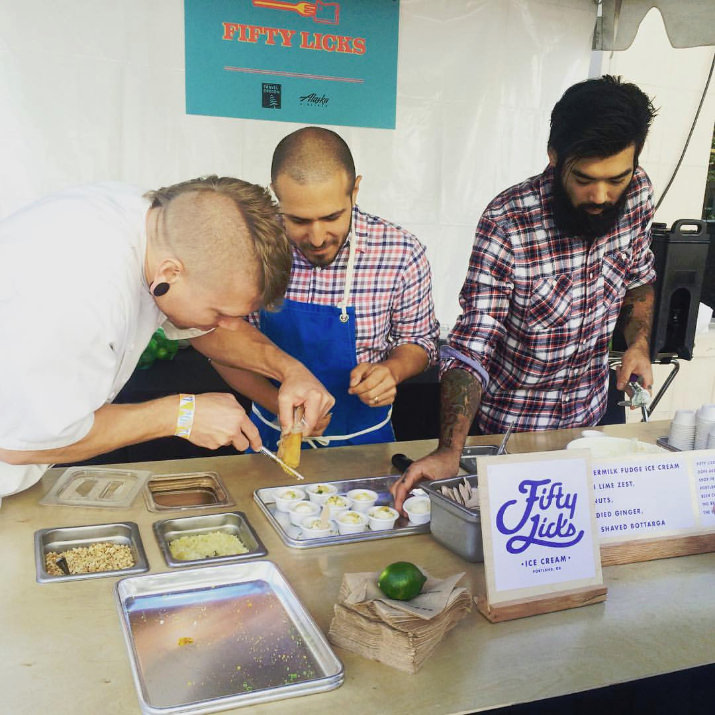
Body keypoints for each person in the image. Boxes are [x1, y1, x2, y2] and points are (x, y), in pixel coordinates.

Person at [393, 75, 658, 510]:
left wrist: (639, 345)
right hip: (509, 439)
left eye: (617, 179)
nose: (601, 195)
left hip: (590, 426)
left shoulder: (639, 194)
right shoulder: (507, 222)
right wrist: (449, 450)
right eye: (584, 178)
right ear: (554, 158)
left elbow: (638, 278)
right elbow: (471, 348)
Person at [0, 176, 334, 500]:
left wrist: (290, 371)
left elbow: (208, 330)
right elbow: (23, 441)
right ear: (171, 273)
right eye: (220, 312)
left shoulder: (156, 226)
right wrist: (180, 415)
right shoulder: (77, 293)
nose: (230, 326)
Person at [212, 127, 439, 451]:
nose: (317, 238)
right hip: (271, 440)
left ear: (355, 190)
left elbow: (419, 341)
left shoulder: (400, 252)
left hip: (364, 444)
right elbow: (222, 349)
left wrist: (392, 371)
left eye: (332, 217)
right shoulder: (251, 250)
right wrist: (280, 404)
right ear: (275, 192)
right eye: (299, 220)